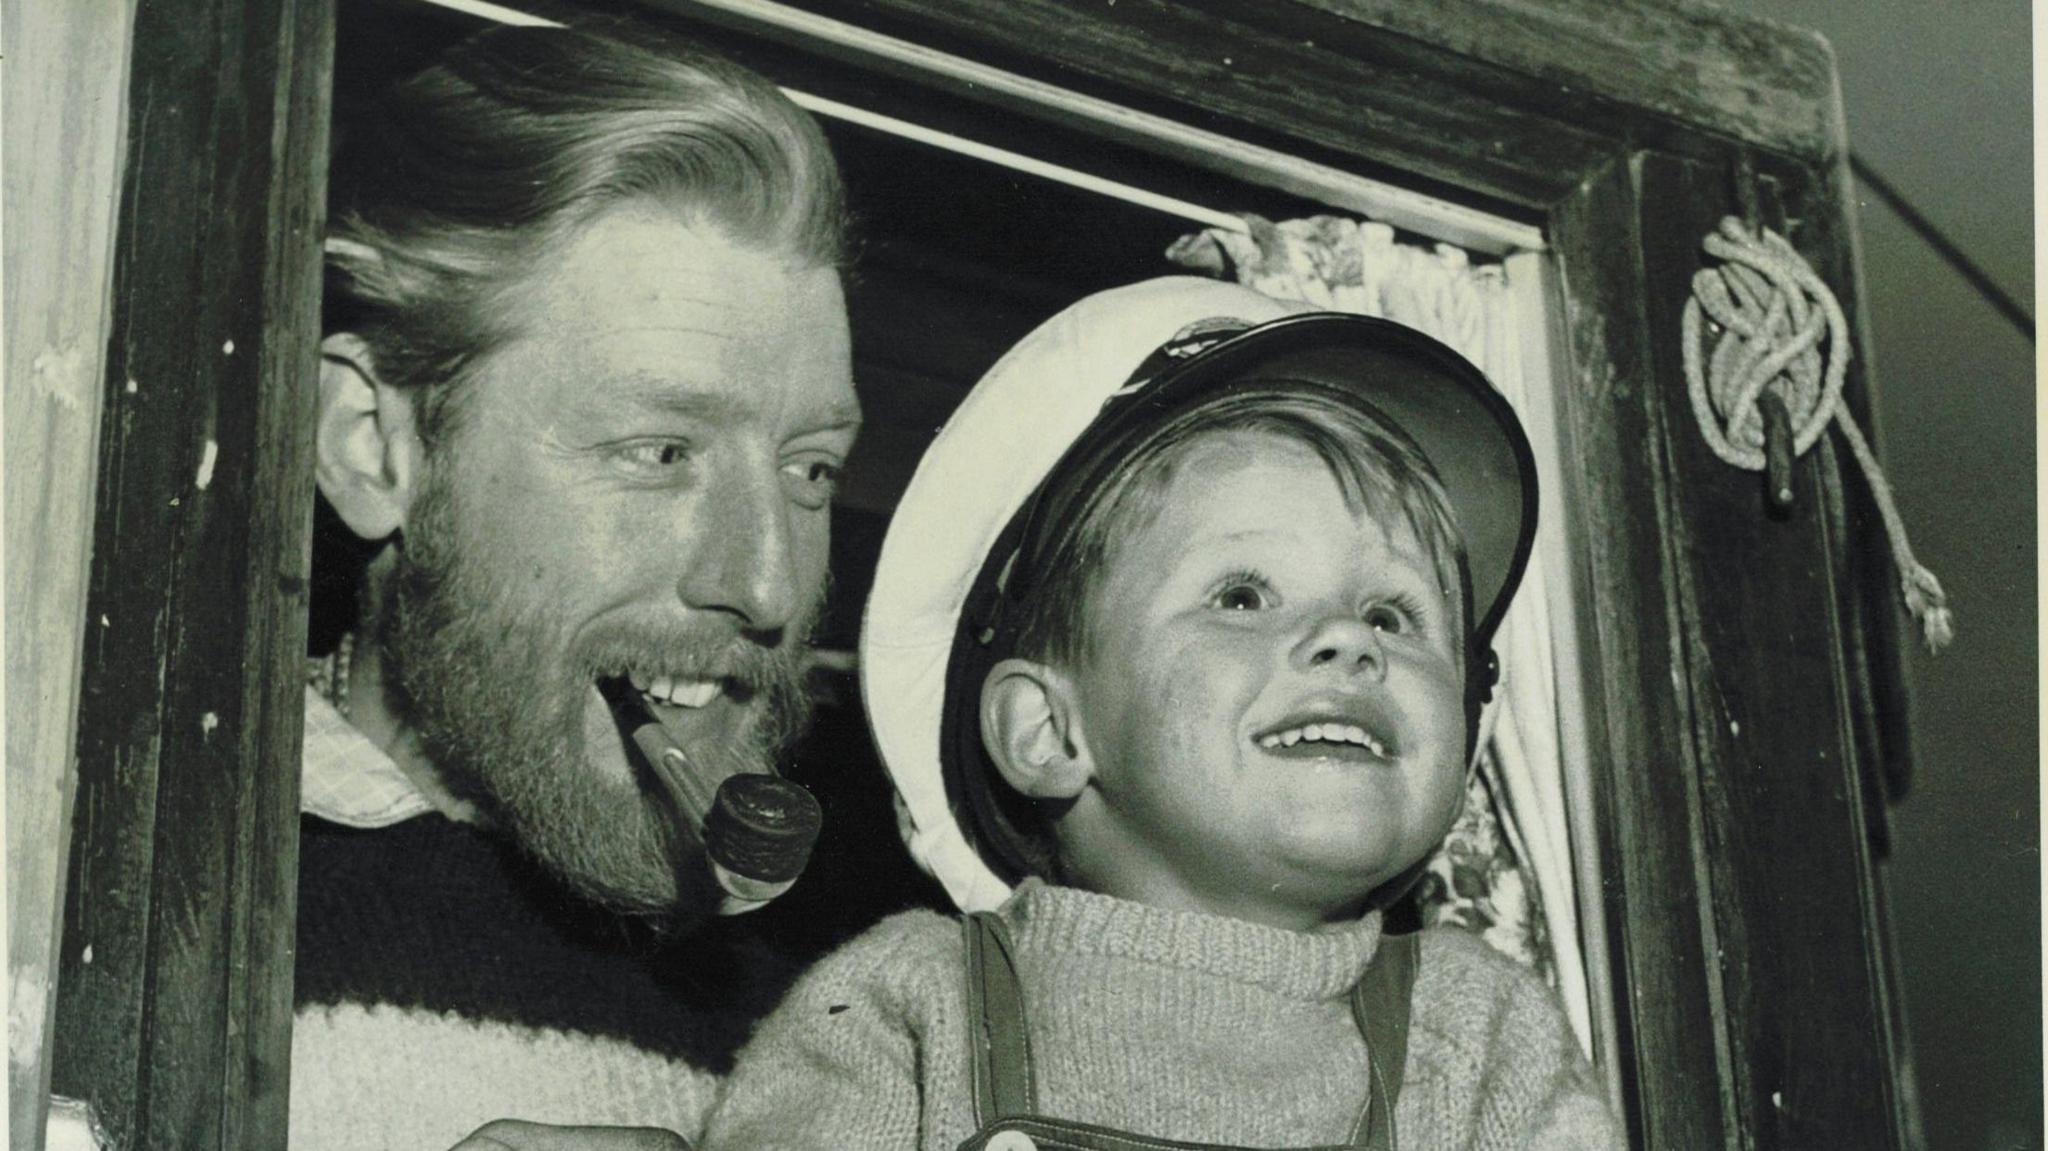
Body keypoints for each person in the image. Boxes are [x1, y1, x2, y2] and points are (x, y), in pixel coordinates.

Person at [700, 277, 1623, 1150]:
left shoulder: (1473, 1030)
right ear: (1047, 732)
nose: (1352, 640)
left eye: (1395, 613)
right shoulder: (910, 1002)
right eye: (1244, 595)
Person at [293, 22, 859, 1150]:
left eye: (808, 469)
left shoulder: (855, 1035)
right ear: (375, 447)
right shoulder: (114, 898)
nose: (765, 583)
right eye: (660, 451)